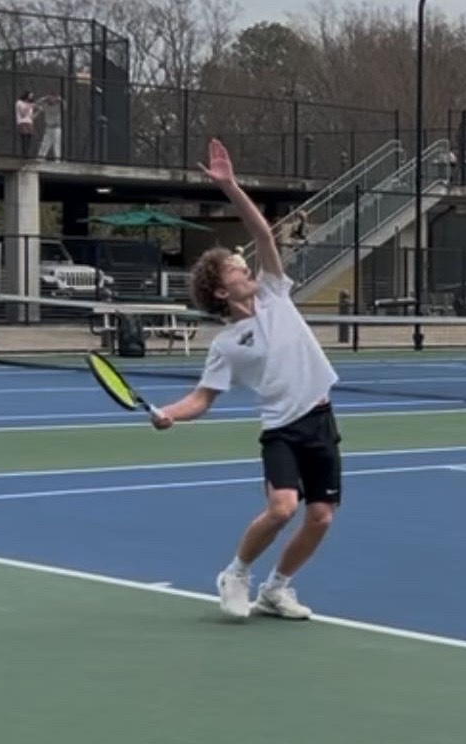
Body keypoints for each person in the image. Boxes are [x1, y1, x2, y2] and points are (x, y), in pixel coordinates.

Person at [150, 138, 342, 621]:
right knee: (282, 509)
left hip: (321, 419)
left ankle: (277, 589)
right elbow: (202, 397)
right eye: (236, 268)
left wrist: (230, 186)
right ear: (221, 289)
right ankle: (235, 573)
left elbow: (263, 236)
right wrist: (170, 413)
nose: (246, 266)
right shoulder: (226, 345)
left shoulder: (275, 293)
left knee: (320, 518)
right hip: (282, 431)